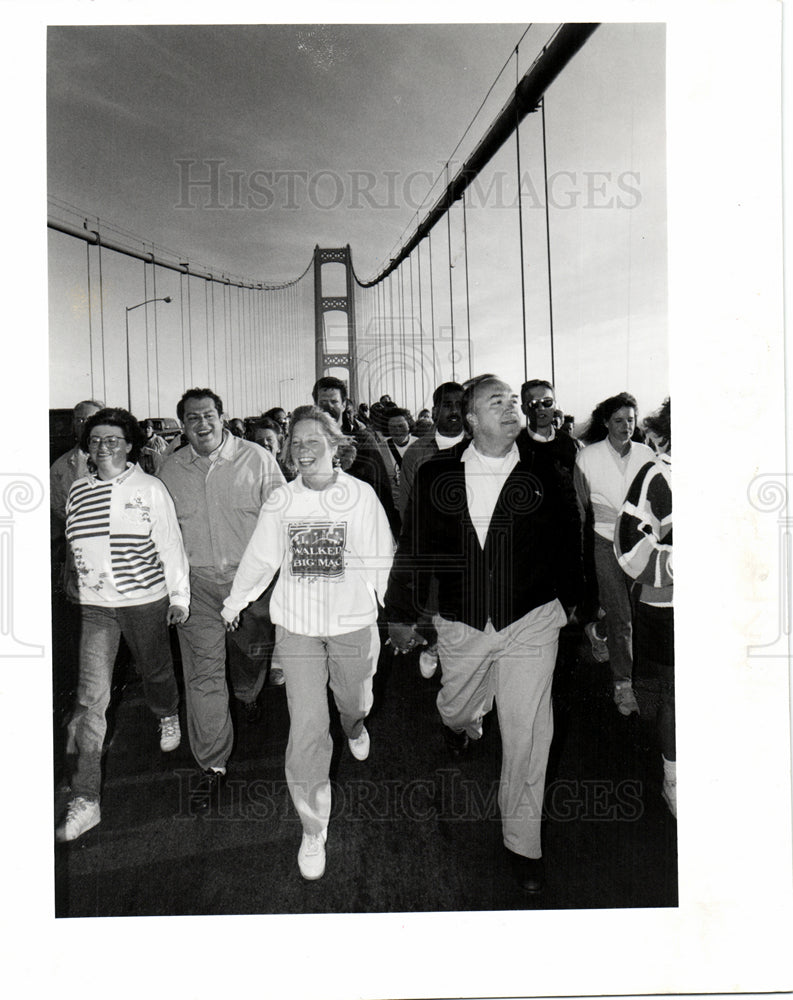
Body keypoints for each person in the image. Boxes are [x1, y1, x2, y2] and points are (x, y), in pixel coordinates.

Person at [385, 374, 582, 893]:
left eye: (514, 400)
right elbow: (415, 547)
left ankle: (523, 844)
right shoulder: (435, 475)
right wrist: (401, 612)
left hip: (530, 622)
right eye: (497, 400)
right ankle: (465, 722)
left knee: (528, 732)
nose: (512, 406)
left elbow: (570, 538)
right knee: (455, 705)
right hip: (463, 620)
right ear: (471, 418)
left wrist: (574, 601)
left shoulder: (548, 469)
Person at [221, 405, 394, 880]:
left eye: (312, 440)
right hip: (297, 626)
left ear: (336, 445)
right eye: (294, 442)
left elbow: (382, 559)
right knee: (308, 726)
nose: (301, 450)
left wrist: (392, 613)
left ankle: (356, 725)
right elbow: (260, 557)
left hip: (352, 622)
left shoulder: (360, 497)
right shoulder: (282, 501)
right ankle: (313, 825)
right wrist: (235, 602)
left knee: (352, 700)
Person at [56, 407, 189, 842]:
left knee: (156, 672)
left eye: (113, 439)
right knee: (89, 701)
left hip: (145, 601)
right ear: (86, 447)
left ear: (130, 444)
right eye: (95, 440)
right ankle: (86, 798)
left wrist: (180, 598)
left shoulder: (150, 489)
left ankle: (167, 712)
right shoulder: (77, 492)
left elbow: (170, 545)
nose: (103, 447)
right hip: (95, 608)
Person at [158, 388, 285, 811]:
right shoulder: (170, 470)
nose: (202, 424)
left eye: (209, 414)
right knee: (204, 676)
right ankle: (212, 763)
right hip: (197, 589)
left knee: (250, 659)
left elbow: (284, 519)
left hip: (251, 587)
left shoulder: (257, 459)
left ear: (223, 417)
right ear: (182, 424)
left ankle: (248, 692)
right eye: (192, 417)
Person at [574, 392, 654, 715]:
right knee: (621, 615)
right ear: (606, 422)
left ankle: (598, 630)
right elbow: (579, 510)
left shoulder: (648, 455)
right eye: (618, 420)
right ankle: (623, 685)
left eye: (631, 420)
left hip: (639, 544)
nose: (625, 427)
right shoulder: (587, 457)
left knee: (631, 612)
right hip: (604, 543)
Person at [614, 399, 674, 816]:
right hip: (670, 606)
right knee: (678, 694)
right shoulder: (657, 474)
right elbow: (629, 545)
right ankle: (674, 777)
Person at [396, 381, 465, 679]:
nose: (454, 411)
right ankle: (434, 645)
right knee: (433, 603)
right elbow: (406, 503)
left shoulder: (480, 446)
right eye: (447, 405)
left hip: (468, 545)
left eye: (460, 405)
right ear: (435, 410)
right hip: (431, 545)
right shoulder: (416, 452)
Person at [312, 376, 401, 538]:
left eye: (334, 402)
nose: (328, 407)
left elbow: (380, 486)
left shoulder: (363, 439)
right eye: (323, 402)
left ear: (344, 404)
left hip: (358, 524)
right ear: (315, 405)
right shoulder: (307, 441)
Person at [518, 380, 579, 476]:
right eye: (533, 403)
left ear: (555, 405)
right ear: (524, 409)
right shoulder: (514, 446)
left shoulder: (569, 443)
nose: (541, 408)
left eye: (547, 402)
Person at [382, 407, 417, 505]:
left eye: (401, 426)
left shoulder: (421, 446)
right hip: (394, 506)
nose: (397, 430)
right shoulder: (381, 450)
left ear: (409, 425)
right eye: (393, 427)